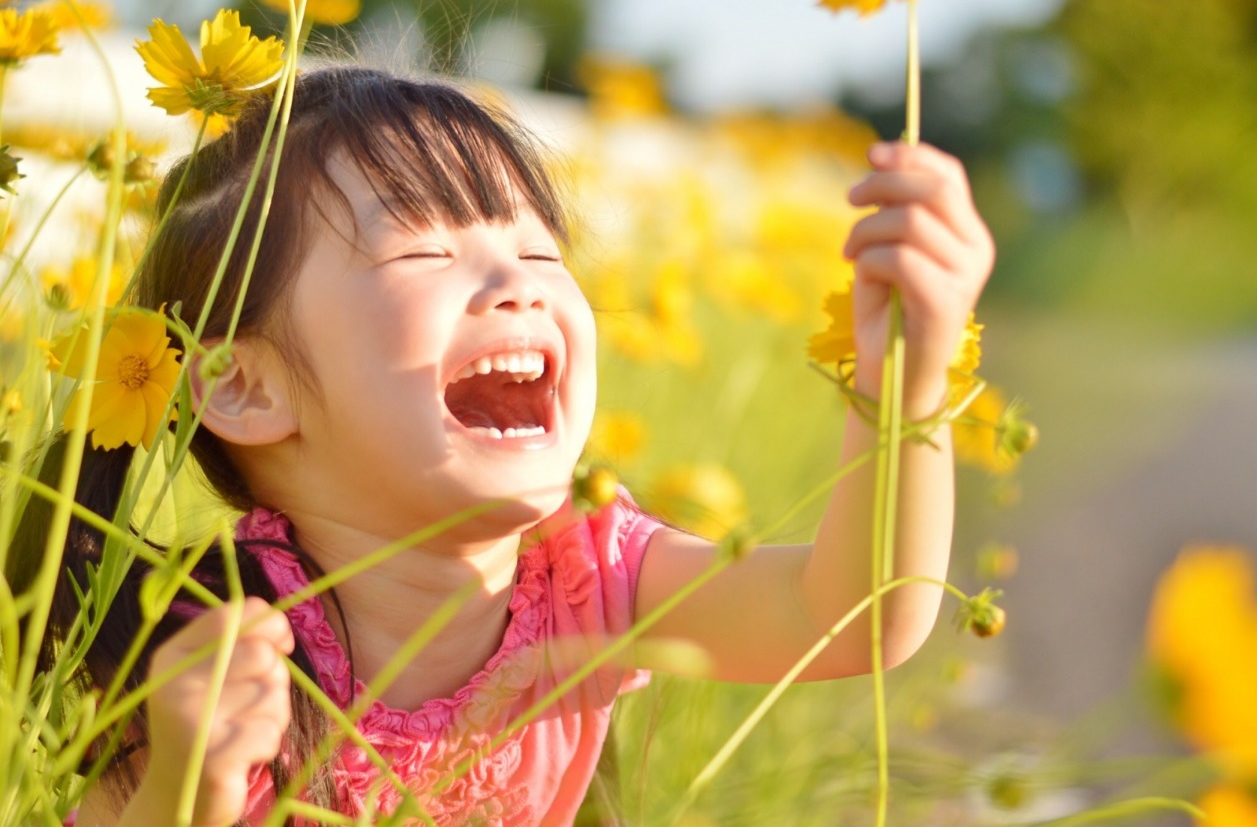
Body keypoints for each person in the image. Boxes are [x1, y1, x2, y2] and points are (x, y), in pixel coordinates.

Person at [27, 65, 992, 826]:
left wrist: (908, 382)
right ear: (244, 385)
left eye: (540, 252)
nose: (521, 284)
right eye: (423, 251)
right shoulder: (223, 649)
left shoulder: (586, 581)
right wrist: (177, 804)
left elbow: (854, 616)